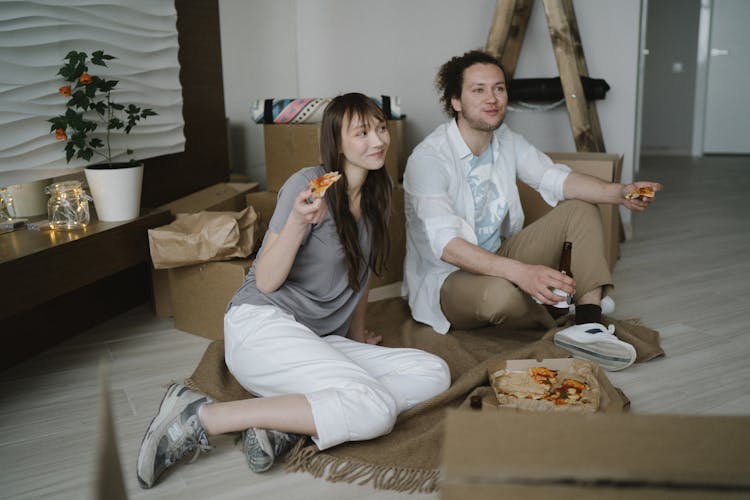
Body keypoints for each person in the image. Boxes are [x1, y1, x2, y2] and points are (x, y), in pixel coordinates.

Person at [136, 93, 450, 489]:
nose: (379, 141)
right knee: (375, 409)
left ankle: (284, 422)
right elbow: (266, 281)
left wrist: (357, 340)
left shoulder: (377, 196)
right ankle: (201, 416)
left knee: (432, 372)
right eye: (363, 132)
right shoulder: (307, 185)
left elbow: (362, 277)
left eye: (381, 128)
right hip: (262, 327)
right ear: (337, 143)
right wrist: (300, 222)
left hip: (314, 338)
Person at [402, 50, 661, 371]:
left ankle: (587, 322)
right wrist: (522, 273)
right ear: (455, 100)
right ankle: (558, 308)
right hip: (449, 278)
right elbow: (448, 247)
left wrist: (619, 192)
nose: (492, 98)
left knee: (581, 208)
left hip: (499, 256)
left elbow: (555, 177)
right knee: (499, 297)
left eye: (499, 88)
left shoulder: (505, 139)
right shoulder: (428, 159)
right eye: (478, 89)